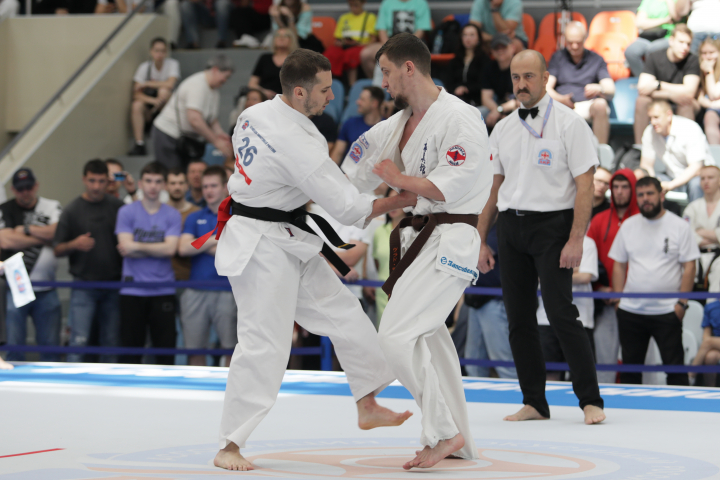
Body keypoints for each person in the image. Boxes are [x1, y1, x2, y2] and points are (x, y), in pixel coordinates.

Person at [207, 48, 416, 472]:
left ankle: (367, 402)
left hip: (287, 235)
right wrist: (403, 197)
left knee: (344, 313)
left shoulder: (253, 114)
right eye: (323, 90)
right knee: (264, 342)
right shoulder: (297, 141)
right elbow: (345, 206)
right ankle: (230, 443)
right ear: (299, 92)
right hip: (260, 245)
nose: (331, 97)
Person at [344, 33, 492, 468]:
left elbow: (451, 185)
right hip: (418, 239)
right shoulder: (399, 122)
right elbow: (355, 166)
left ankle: (444, 431)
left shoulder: (461, 118)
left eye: (387, 72)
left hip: (451, 238)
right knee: (430, 341)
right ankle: (459, 441)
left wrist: (396, 180)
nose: (382, 82)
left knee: (395, 337)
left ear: (409, 68)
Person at [477, 49, 605, 425]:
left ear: (546, 78)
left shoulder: (570, 123)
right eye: (516, 77)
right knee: (518, 318)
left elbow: (585, 185)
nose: (521, 84)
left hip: (553, 227)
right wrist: (480, 239)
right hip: (510, 228)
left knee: (561, 313)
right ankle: (534, 401)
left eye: (529, 76)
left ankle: (590, 400)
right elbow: (493, 188)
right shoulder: (502, 128)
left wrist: (576, 238)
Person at [609, 176, 700, 386]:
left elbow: (690, 266)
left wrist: (682, 303)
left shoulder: (679, 226)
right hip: (631, 311)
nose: (645, 199)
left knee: (675, 372)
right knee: (630, 373)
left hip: (667, 310)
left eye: (650, 193)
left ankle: (679, 408)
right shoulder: (629, 225)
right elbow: (619, 265)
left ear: (661, 195)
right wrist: (618, 301)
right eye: (640, 195)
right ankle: (630, 408)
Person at [54, 159, 124, 363]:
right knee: (79, 341)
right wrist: (74, 244)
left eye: (101, 181)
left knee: (111, 342)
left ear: (108, 182)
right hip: (84, 285)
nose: (96, 186)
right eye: (92, 181)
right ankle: (72, 381)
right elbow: (57, 249)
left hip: (113, 283)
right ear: (84, 179)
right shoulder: (72, 210)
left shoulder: (117, 207)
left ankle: (110, 382)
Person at [115, 162, 181, 365]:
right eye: (149, 181)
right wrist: (157, 247)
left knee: (165, 352)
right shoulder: (126, 212)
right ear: (141, 183)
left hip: (163, 289)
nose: (153, 186)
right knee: (130, 353)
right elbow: (125, 247)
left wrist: (136, 246)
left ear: (164, 185)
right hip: (132, 290)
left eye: (158, 181)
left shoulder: (172, 214)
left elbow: (170, 250)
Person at [0, 168, 62, 362]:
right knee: (14, 346)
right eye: (20, 189)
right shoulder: (5, 209)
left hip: (46, 286)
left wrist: (25, 229)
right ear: (13, 189)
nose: (25, 192)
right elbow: (5, 241)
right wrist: (43, 237)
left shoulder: (51, 206)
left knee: (50, 347)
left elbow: (58, 233)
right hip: (15, 286)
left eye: (28, 187)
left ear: (36, 186)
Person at [178, 166, 236, 367]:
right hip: (196, 290)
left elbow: (235, 253)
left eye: (213, 185)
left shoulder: (237, 218)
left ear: (225, 187)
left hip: (228, 290)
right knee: (194, 350)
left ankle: (229, 387)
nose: (208, 191)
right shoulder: (194, 217)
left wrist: (200, 244)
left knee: (231, 350)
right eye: (205, 186)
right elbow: (183, 248)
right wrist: (215, 238)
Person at [588, 169, 639, 384]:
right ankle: (603, 399)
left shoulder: (642, 220)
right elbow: (588, 257)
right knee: (604, 359)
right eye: (615, 187)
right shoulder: (599, 220)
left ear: (633, 189)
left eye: (624, 187)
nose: (619, 192)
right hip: (606, 300)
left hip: (637, 302)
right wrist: (600, 288)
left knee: (641, 360)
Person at [152, 55, 234, 170]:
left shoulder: (214, 90)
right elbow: (194, 120)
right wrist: (216, 141)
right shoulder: (197, 85)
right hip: (168, 135)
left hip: (185, 139)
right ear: (215, 70)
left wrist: (220, 135)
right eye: (225, 77)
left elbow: (212, 120)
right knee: (173, 175)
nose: (225, 81)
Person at [537, 235, 598, 381]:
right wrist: (573, 271)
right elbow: (537, 275)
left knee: (582, 373)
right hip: (545, 318)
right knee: (548, 372)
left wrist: (553, 273)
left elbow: (585, 277)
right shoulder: (542, 241)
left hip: (579, 318)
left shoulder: (587, 242)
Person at [547, 22, 616, 145]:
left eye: (578, 42)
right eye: (570, 42)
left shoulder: (596, 59)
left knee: (601, 105)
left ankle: (600, 151)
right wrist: (560, 99)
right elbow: (546, 88)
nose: (574, 46)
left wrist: (599, 88)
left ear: (585, 39)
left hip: (587, 105)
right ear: (565, 40)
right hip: (561, 105)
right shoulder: (557, 58)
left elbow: (610, 89)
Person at [463, 225, 517, 379]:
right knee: (473, 359)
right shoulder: (481, 228)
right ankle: (474, 393)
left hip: (494, 300)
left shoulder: (499, 227)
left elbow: (476, 255)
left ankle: (517, 393)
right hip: (477, 298)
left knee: (503, 361)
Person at [634, 24, 701, 144]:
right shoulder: (655, 57)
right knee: (642, 101)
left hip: (683, 102)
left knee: (686, 102)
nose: (685, 47)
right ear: (671, 41)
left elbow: (689, 92)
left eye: (688, 44)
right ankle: (640, 147)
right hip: (660, 101)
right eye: (681, 42)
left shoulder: (693, 60)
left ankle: (684, 147)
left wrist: (658, 85)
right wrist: (670, 95)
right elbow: (643, 88)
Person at [638, 99, 713, 201]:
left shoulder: (689, 128)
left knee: (696, 185)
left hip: (696, 177)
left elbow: (696, 168)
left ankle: (696, 212)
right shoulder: (649, 132)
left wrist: (671, 185)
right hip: (670, 177)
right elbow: (646, 166)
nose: (652, 122)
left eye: (656, 117)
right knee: (646, 180)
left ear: (669, 115)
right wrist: (654, 183)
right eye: (650, 118)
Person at [128, 38, 180, 156]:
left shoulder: (172, 64)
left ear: (166, 52)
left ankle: (165, 131)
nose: (159, 54)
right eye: (157, 51)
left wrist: (147, 83)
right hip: (150, 109)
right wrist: (153, 101)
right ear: (151, 51)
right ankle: (139, 144)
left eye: (162, 51)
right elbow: (136, 93)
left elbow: (170, 84)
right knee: (136, 105)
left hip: (166, 107)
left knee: (163, 91)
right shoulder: (144, 67)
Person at [359, 0, 432, 77]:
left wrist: (406, 45)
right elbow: (382, 30)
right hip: (389, 42)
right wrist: (388, 47)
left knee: (402, 56)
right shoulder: (387, 3)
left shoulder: (421, 3)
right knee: (366, 54)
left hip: (414, 43)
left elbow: (421, 31)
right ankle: (378, 82)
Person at [625, 0, 690, 77]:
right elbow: (639, 23)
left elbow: (676, 17)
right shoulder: (648, 1)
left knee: (652, 49)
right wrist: (664, 21)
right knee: (630, 51)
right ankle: (642, 78)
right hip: (648, 35)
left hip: (668, 36)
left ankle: (654, 78)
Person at [324, 0, 377, 85]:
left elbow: (373, 40)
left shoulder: (370, 17)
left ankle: (352, 85)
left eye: (356, 5)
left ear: (363, 3)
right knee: (330, 53)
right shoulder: (344, 17)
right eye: (351, 5)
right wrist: (343, 42)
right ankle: (329, 83)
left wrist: (358, 43)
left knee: (351, 55)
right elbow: (337, 40)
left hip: (361, 46)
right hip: (344, 46)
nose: (353, 8)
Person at [371, 188, 404, 323]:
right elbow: (377, 262)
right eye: (389, 201)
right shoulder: (379, 231)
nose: (392, 205)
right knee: (382, 331)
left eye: (397, 200)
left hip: (406, 293)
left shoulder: (416, 231)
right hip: (383, 293)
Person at [331, 86, 384, 165]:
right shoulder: (350, 123)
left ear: (374, 103)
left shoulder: (386, 128)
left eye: (362, 99)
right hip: (348, 170)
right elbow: (337, 153)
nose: (357, 102)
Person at [166, 168, 200, 281]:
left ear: (187, 186)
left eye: (181, 183)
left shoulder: (197, 213)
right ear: (166, 186)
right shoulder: (158, 212)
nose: (177, 187)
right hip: (162, 277)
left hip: (189, 276)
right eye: (173, 183)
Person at [248, 28, 297, 100]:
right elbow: (252, 84)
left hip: (287, 100)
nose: (281, 38)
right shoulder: (265, 58)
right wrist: (264, 92)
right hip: (264, 99)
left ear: (292, 40)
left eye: (286, 36)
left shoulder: (296, 61)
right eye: (278, 35)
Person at [481, 34, 518, 128]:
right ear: (492, 51)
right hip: (496, 107)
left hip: (517, 108)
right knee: (478, 114)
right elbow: (486, 98)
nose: (500, 50)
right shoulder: (489, 68)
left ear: (512, 48)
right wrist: (497, 111)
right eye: (496, 48)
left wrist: (500, 110)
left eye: (504, 47)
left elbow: (523, 99)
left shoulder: (521, 67)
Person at [448, 24, 488, 107]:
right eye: (465, 35)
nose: (468, 38)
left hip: (477, 101)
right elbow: (449, 80)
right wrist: (456, 88)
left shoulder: (484, 59)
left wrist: (466, 89)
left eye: (472, 35)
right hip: (456, 99)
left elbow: (484, 82)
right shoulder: (455, 60)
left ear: (479, 38)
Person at [691, 301, 720, 386]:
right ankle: (710, 388)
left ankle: (690, 376)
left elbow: (707, 340)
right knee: (710, 357)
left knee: (708, 342)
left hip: (713, 342)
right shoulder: (710, 307)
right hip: (716, 344)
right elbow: (706, 334)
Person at [698, 38, 720, 144]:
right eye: (704, 53)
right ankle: (716, 151)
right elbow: (700, 97)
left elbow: (713, 94)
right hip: (713, 108)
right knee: (709, 116)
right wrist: (712, 105)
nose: (708, 56)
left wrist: (709, 72)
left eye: (711, 52)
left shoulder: (708, 70)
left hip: (714, 105)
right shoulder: (699, 69)